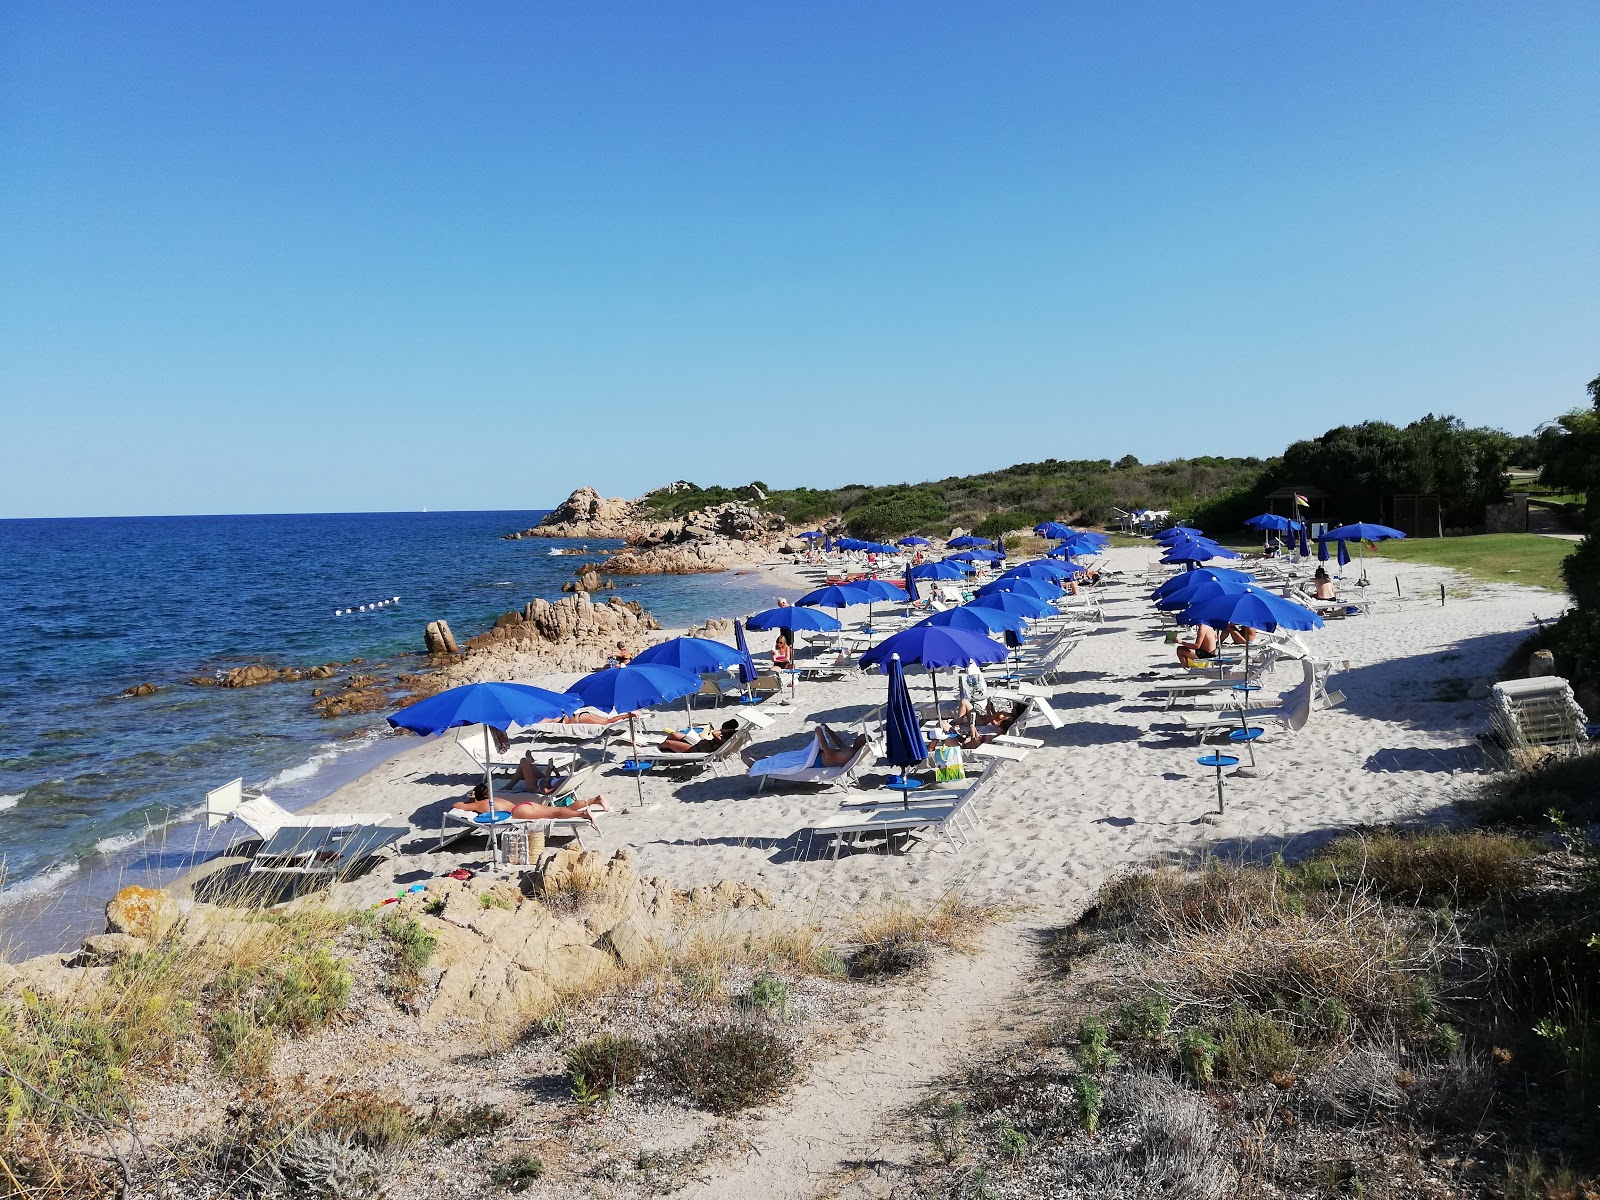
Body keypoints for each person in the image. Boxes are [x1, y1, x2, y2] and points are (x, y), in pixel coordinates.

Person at [451, 781, 609, 823]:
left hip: (518, 812)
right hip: (526, 805)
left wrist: (470, 799)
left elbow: (456, 806)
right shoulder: (494, 799)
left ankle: (582, 814)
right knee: (557, 810)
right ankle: (594, 800)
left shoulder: (480, 804)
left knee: (556, 814)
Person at [658, 718, 739, 754]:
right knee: (673, 734)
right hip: (697, 742)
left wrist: (725, 730)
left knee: (668, 742)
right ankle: (667, 748)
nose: (721, 730)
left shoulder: (722, 740)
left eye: (722, 729)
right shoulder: (724, 737)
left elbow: (714, 733)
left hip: (696, 749)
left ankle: (658, 749)